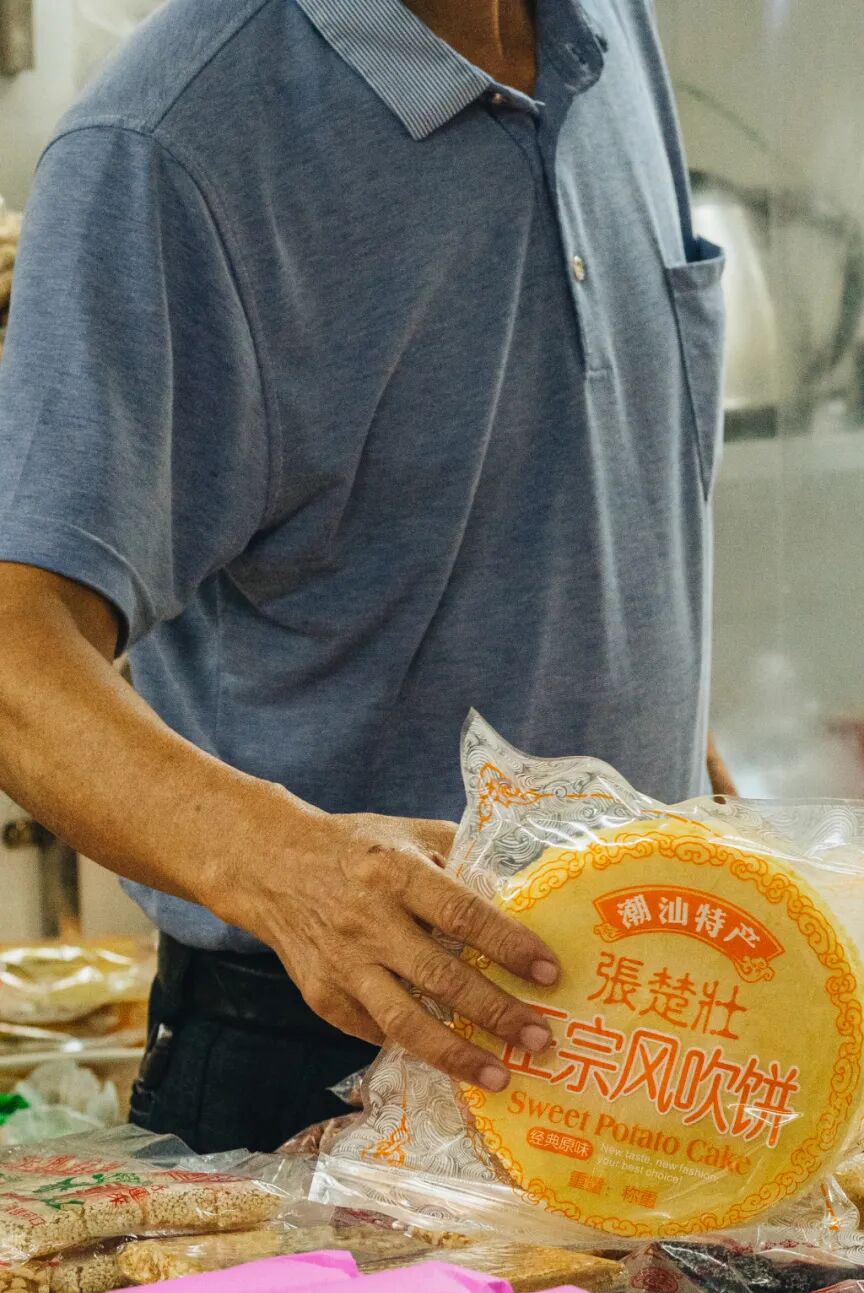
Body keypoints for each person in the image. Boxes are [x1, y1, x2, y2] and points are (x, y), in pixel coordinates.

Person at [0, 0, 728, 1153]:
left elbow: (564, 500)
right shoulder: (164, 146)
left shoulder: (600, 26)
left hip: (665, 1025)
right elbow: (15, 648)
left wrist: (680, 761)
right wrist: (288, 867)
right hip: (343, 1051)